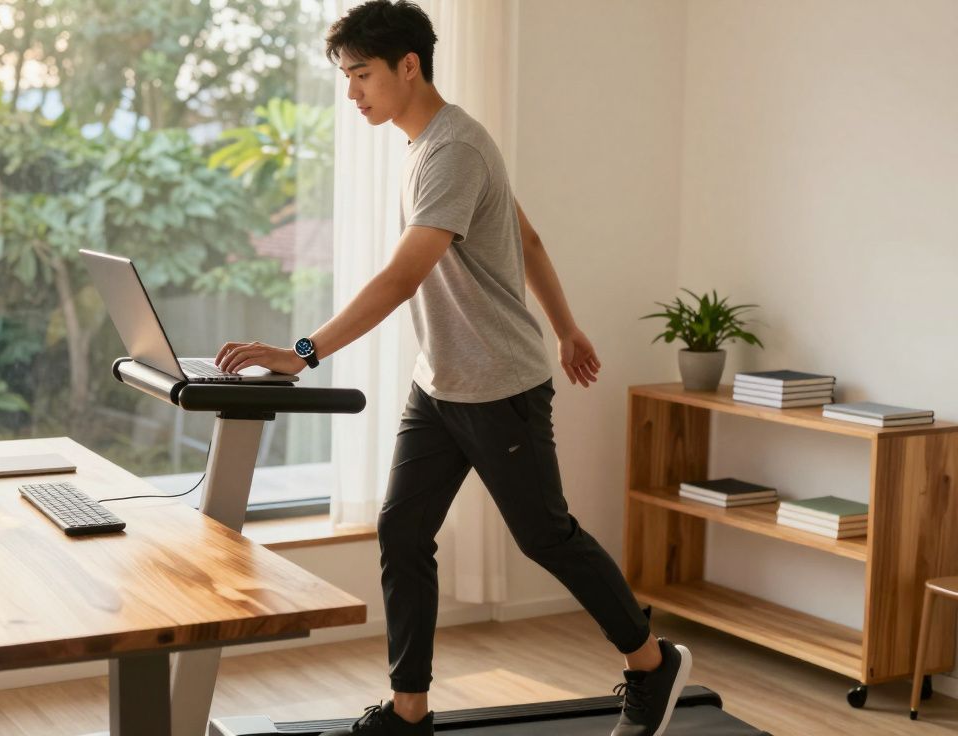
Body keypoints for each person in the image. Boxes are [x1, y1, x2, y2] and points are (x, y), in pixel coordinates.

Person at [214, 2, 691, 734]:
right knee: (402, 533)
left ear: (410, 65)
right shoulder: (430, 146)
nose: (352, 94)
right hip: (440, 383)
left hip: (497, 384)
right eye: (345, 78)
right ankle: (410, 714)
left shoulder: (454, 150)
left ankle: (652, 663)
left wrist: (301, 353)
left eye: (362, 75)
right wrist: (566, 328)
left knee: (545, 536)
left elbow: (403, 278)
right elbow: (525, 235)